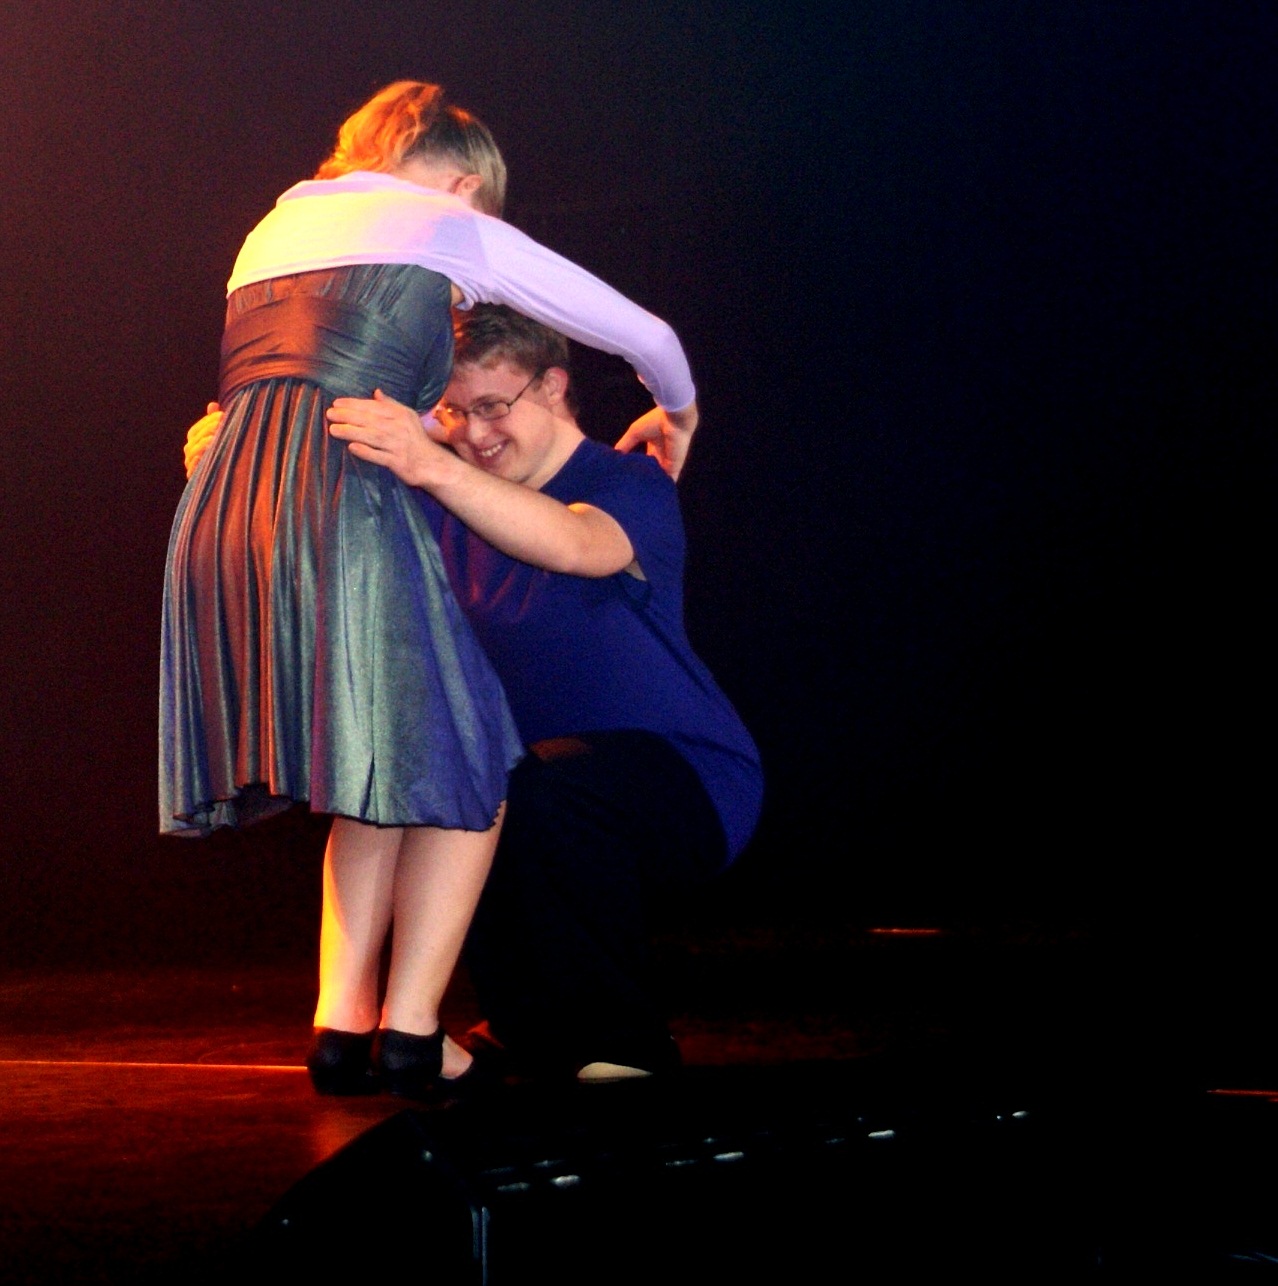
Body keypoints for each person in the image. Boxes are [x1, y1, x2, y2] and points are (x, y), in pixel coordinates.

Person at [161, 82, 699, 1097]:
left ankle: (340, 1024)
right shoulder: (442, 221)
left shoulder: (268, 231)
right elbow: (651, 337)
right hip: (343, 511)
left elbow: (299, 386)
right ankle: (410, 1028)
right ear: (463, 184)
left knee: (377, 769)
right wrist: (679, 412)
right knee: (475, 753)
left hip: (226, 512)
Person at [324, 305, 763, 1080]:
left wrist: (434, 464)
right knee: (459, 785)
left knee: (539, 793)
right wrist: (233, 453)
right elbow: (329, 497)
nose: (473, 433)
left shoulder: (626, 481)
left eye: (493, 406)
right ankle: (507, 1027)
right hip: (532, 773)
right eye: (453, 412)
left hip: (690, 776)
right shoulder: (448, 495)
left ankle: (623, 1047)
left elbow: (576, 543)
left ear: (554, 386)